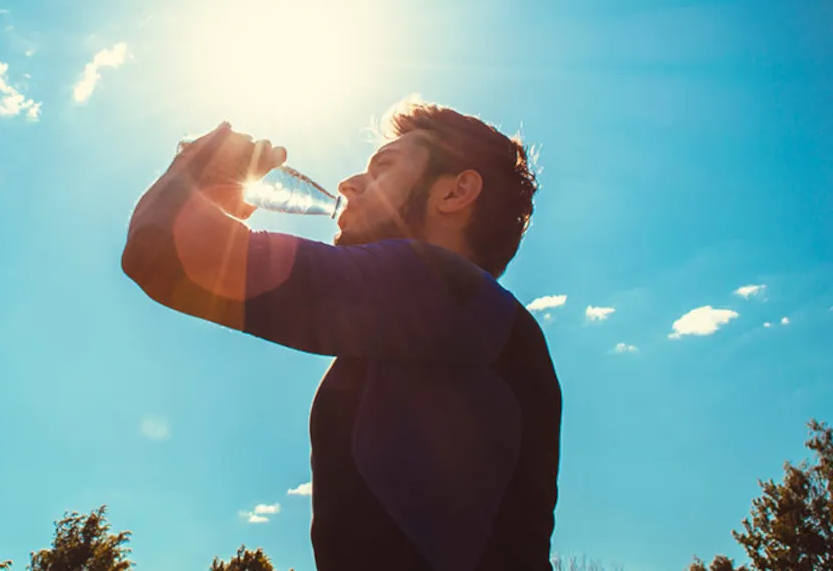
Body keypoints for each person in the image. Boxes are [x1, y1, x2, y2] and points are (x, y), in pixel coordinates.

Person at [121, 98, 561, 571]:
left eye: (382, 169)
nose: (349, 184)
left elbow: (163, 248)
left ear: (454, 194)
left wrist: (198, 167)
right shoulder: (445, 318)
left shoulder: (440, 286)